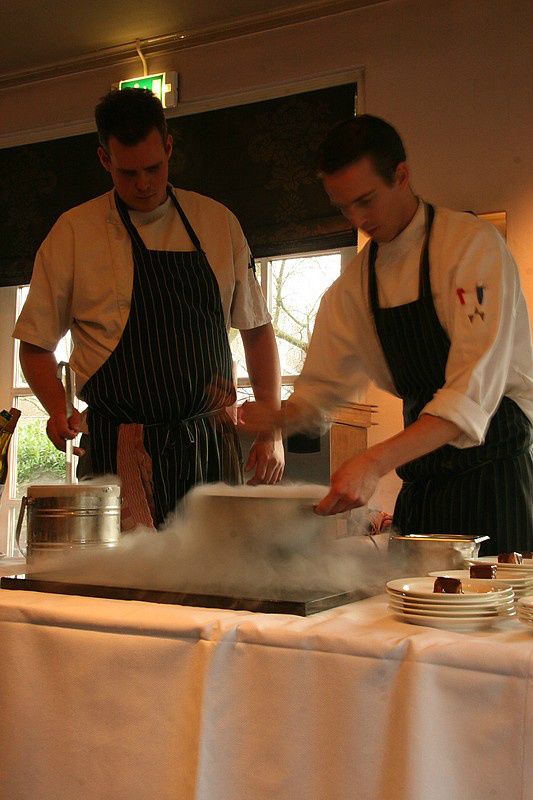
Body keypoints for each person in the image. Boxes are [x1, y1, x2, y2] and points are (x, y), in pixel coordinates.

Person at [242, 114, 533, 555]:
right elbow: (321, 391)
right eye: (344, 208)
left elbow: (470, 396)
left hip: (496, 482)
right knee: (408, 603)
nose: (358, 219)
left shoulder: (471, 249)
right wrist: (277, 418)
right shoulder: (354, 287)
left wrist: (373, 461)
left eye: (366, 201)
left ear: (401, 175)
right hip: (421, 488)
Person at [14, 88, 284, 530]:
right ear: (104, 159)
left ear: (169, 147)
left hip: (211, 451)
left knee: (216, 572)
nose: (143, 184)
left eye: (153, 168)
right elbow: (35, 346)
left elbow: (256, 330)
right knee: (126, 574)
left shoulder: (218, 222)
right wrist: (57, 409)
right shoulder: (74, 234)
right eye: (128, 172)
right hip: (116, 453)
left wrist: (272, 430)